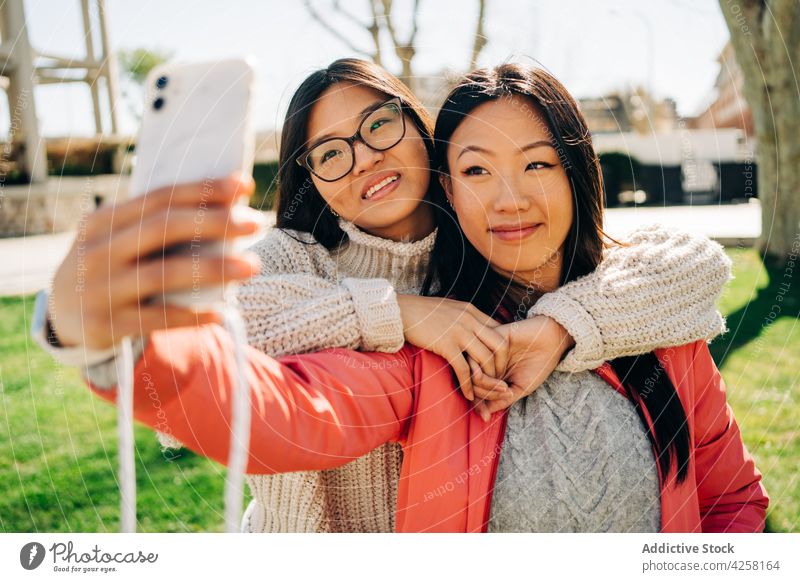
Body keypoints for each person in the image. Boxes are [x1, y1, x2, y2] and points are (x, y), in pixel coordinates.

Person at [37, 60, 743, 532]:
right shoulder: (307, 267)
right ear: (309, 176)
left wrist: (564, 325)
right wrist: (397, 313)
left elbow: (683, 264)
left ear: (420, 132)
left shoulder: (484, 252)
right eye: (332, 152)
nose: (367, 156)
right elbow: (253, 378)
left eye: (379, 125)